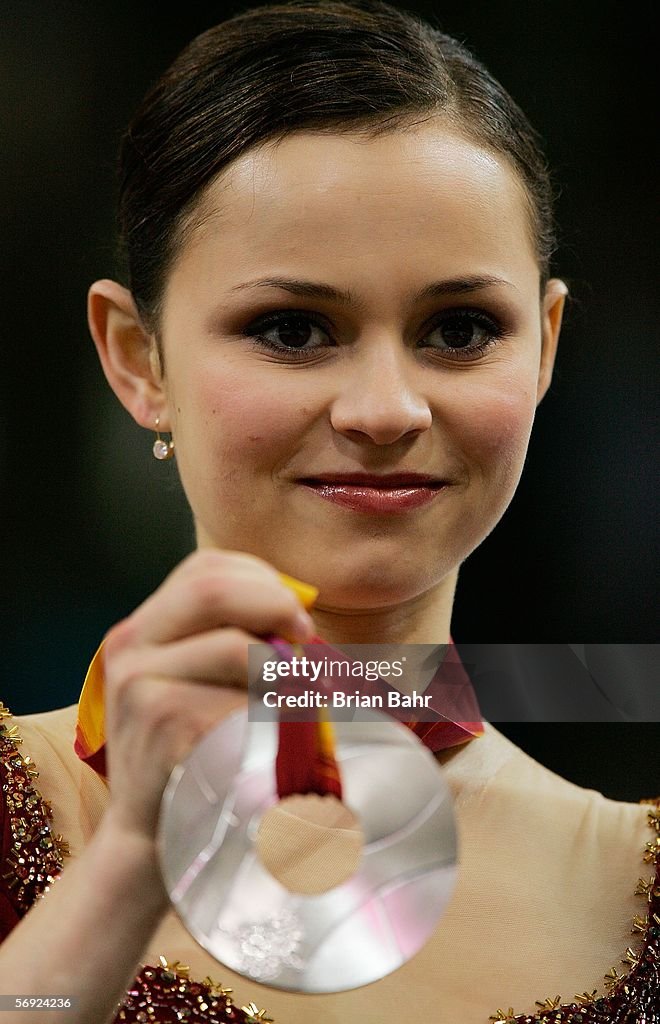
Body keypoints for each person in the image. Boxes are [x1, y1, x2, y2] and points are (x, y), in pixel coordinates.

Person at [0, 1, 657, 1021]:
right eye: (294, 328)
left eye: (461, 327)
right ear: (138, 358)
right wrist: (125, 866)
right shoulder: (18, 804)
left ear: (546, 348)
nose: (387, 410)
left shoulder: (632, 885)